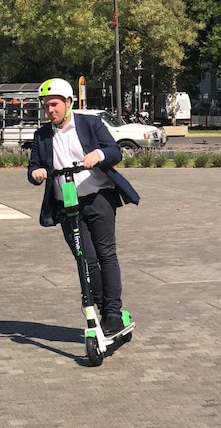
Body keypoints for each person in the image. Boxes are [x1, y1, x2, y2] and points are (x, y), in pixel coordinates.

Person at [27, 78, 140, 336]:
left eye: (54, 104)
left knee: (105, 255)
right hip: (67, 205)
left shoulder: (90, 123)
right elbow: (33, 168)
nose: (50, 110)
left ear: (68, 102)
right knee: (85, 261)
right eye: (46, 106)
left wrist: (97, 155)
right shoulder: (42, 135)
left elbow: (114, 151)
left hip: (98, 198)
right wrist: (37, 174)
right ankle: (101, 309)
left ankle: (112, 313)